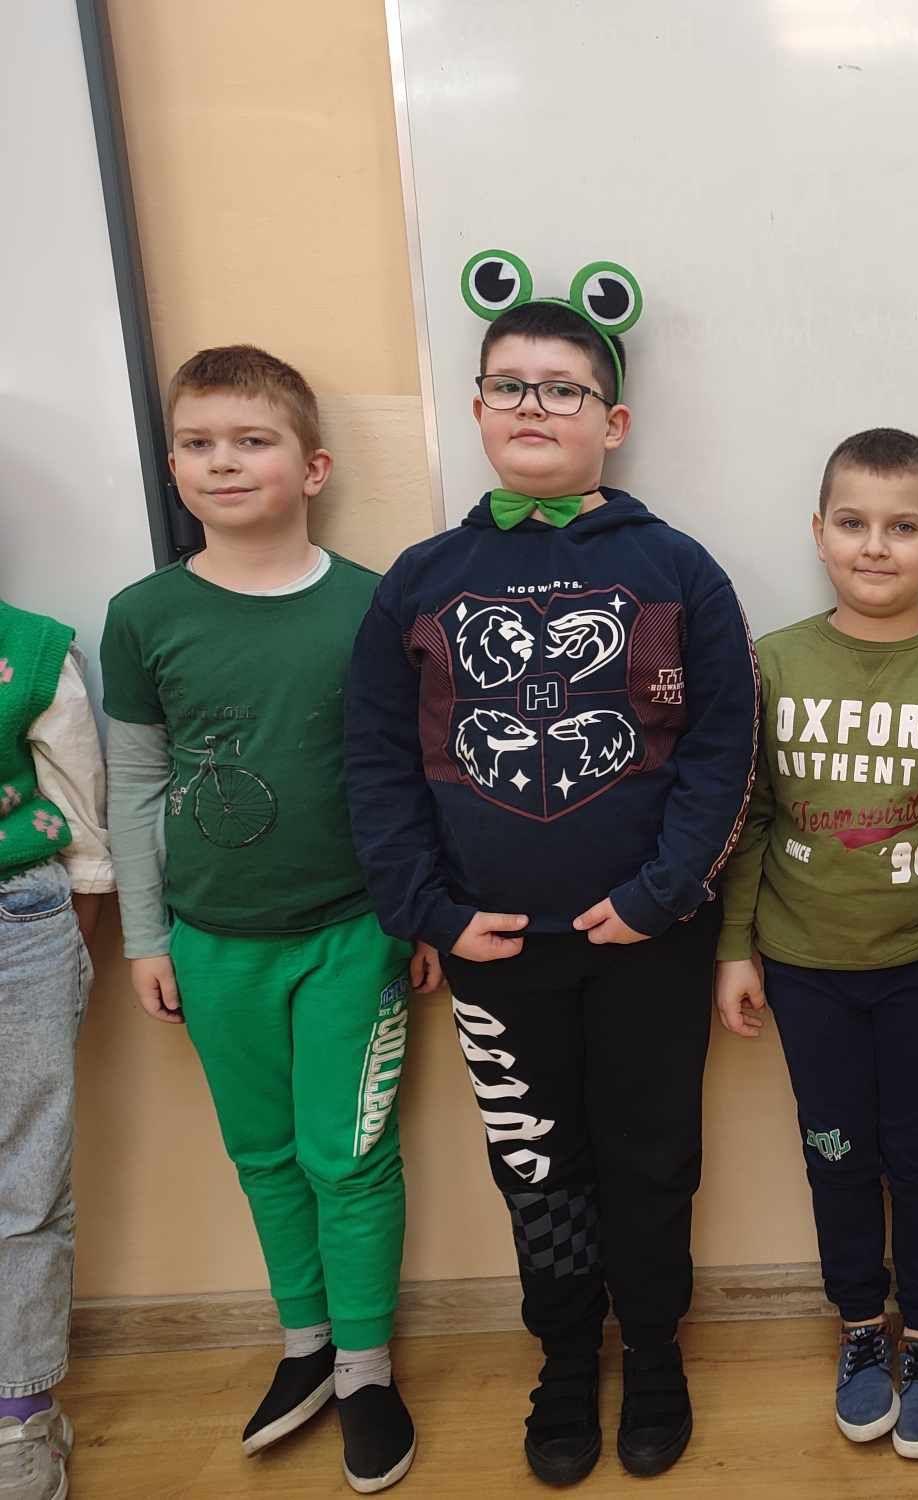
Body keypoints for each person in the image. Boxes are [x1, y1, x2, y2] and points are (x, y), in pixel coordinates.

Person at [343, 254, 758, 1487]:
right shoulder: (421, 582)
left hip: (649, 940)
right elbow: (375, 760)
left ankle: (656, 1354)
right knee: (536, 1165)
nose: (534, 406)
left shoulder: (679, 570)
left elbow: (725, 751)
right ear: (476, 409)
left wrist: (658, 896)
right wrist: (427, 910)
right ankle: (566, 1359)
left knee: (652, 1157)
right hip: (491, 946)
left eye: (563, 388)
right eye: (509, 385)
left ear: (611, 422)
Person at [101, 345, 427, 1494]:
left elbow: (409, 776)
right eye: (198, 443)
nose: (223, 462)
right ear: (173, 469)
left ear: (313, 467)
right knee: (263, 1156)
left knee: (350, 1156)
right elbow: (134, 785)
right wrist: (146, 936)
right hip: (211, 943)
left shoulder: (373, 604)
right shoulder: (142, 615)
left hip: (354, 936)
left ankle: (367, 1372)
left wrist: (419, 914)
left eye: (251, 440)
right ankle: (306, 1346)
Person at [714, 428, 918, 1461]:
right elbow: (748, 817)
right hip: (806, 969)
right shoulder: (771, 663)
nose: (875, 546)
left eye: (902, 526)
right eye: (852, 523)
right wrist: (735, 948)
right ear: (818, 533)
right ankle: (858, 1327)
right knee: (833, 1155)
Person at [0, 601, 113, 1500]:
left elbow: (79, 822)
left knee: (24, 1179)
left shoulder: (30, 650)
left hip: (16, 922)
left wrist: (69, 940)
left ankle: (19, 1412)